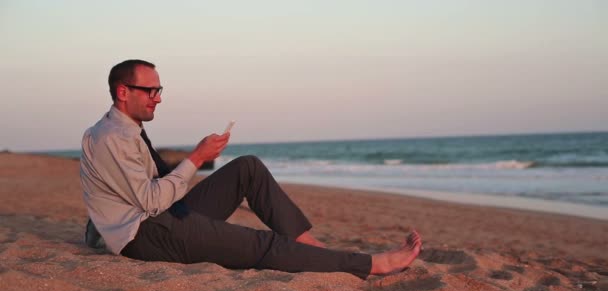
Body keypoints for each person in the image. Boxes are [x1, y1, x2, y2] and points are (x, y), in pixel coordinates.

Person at [80, 59, 422, 279]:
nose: (158, 97)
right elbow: (150, 201)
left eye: (160, 90)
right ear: (123, 92)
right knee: (263, 245)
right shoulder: (113, 137)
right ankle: (376, 264)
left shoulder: (124, 129)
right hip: (147, 234)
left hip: (161, 217)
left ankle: (310, 245)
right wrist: (197, 158)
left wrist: (99, 226)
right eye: (150, 90)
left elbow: (129, 186)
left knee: (248, 168)